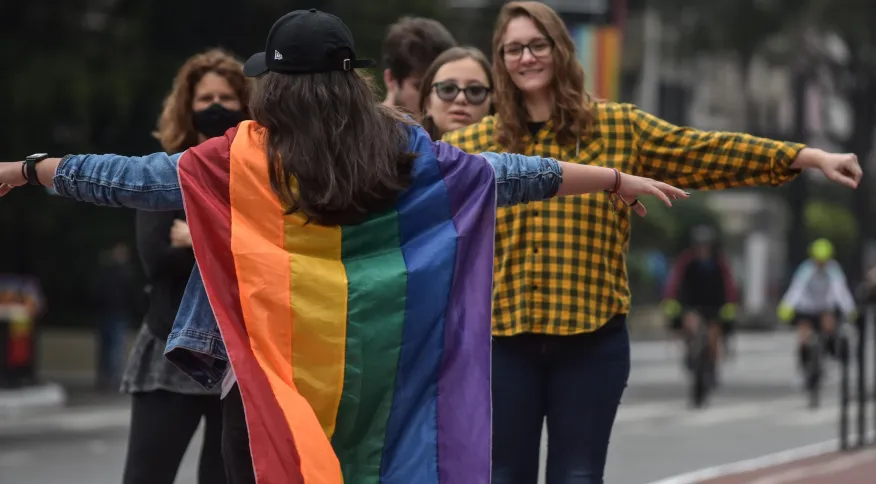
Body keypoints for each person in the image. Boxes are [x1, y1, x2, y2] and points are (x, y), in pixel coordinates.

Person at [0, 10, 680, 484]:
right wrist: (613, 178)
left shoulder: (239, 159)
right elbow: (509, 175)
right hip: (381, 382)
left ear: (277, 85)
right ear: (350, 76)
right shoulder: (403, 150)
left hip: (268, 389)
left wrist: (26, 169)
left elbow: (124, 179)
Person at [440, 1, 862, 482]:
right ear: (500, 60)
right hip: (502, 344)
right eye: (513, 49)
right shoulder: (471, 147)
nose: (527, 57)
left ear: (562, 50)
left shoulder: (618, 127)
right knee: (503, 476)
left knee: (577, 476)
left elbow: (702, 151)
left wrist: (805, 156)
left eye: (538, 45)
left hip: (591, 342)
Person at [119, 49, 249, 484]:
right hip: (168, 342)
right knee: (146, 474)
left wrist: (197, 233)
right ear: (186, 106)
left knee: (223, 475)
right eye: (205, 97)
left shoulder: (255, 169)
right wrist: (229, 234)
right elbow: (155, 258)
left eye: (227, 97)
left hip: (235, 349)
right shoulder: (168, 170)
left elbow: (265, 248)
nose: (215, 107)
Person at [662, 225, 738, 386]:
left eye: (706, 245)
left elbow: (729, 284)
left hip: (714, 304)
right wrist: (671, 300)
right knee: (691, 326)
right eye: (699, 245)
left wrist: (730, 304)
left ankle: (712, 367)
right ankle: (691, 352)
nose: (702, 249)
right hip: (692, 303)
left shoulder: (719, 262)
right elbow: (674, 282)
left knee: (713, 336)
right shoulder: (686, 261)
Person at [778, 238, 856, 369]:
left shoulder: (833, 269)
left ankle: (828, 352)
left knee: (829, 327)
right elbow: (796, 289)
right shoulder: (806, 269)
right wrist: (786, 306)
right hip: (807, 308)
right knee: (804, 337)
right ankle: (804, 364)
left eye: (824, 260)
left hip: (824, 307)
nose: (821, 264)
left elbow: (841, 291)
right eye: (818, 260)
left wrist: (850, 309)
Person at [381, 16, 457, 113]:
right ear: (391, 79)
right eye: (421, 87)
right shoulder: (364, 126)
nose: (433, 99)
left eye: (445, 88)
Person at [91, 242, 140, 392]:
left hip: (118, 314)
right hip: (110, 313)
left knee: (114, 349)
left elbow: (131, 294)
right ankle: (107, 378)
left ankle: (113, 379)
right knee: (108, 349)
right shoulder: (111, 272)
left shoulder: (124, 273)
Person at [417, 46, 493, 140]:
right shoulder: (402, 152)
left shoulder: (512, 153)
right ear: (427, 103)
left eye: (475, 91)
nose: (461, 99)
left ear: (491, 101)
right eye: (448, 89)